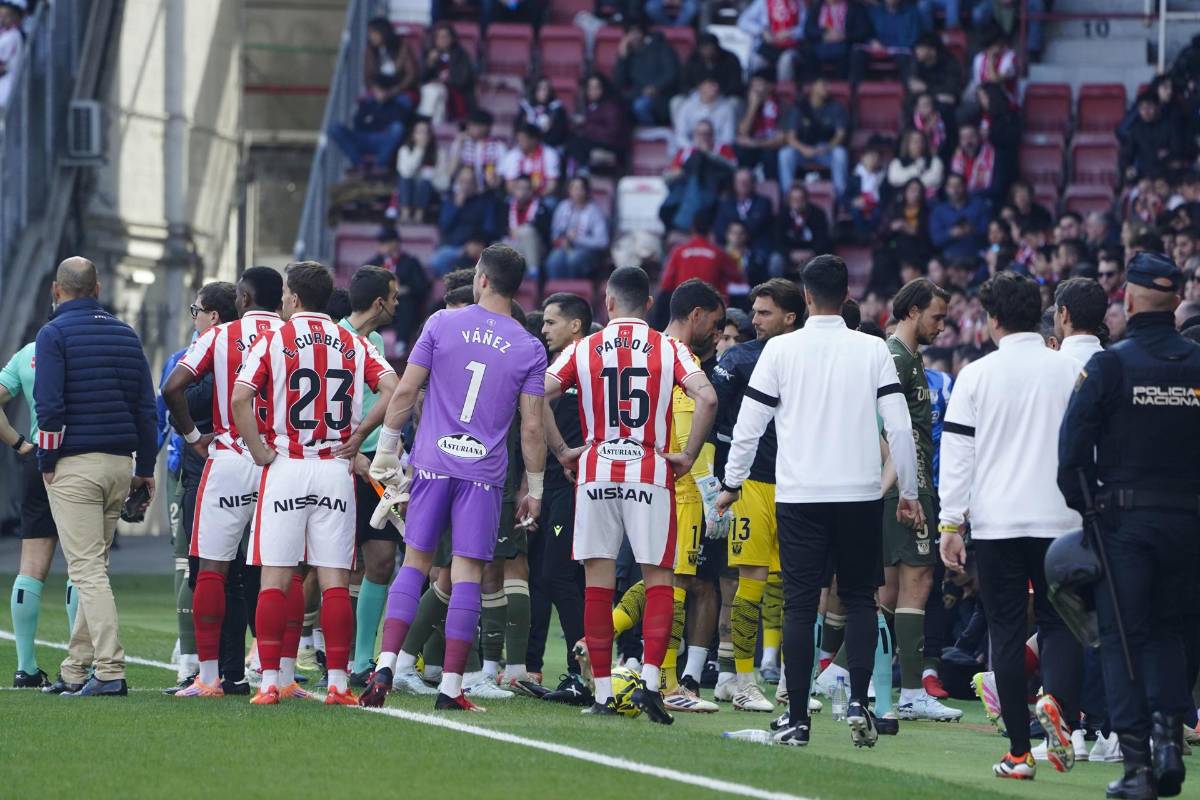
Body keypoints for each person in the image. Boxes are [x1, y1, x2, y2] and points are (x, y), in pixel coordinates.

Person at [716, 254, 923, 746]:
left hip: (800, 494)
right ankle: (857, 701)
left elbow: (749, 426)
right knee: (859, 599)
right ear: (846, 295)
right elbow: (900, 427)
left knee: (800, 603)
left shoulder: (782, 351)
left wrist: (731, 483)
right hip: (858, 494)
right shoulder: (873, 349)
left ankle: (798, 720)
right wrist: (908, 493)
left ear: (805, 297)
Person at [360, 244, 548, 712]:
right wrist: (536, 488)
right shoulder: (529, 346)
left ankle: (385, 664)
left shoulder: (441, 323)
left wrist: (386, 452)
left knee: (416, 564)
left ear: (481, 278)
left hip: (431, 464)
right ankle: (450, 688)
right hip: (483, 475)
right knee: (467, 573)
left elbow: (405, 390)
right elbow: (531, 426)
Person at [541, 265, 717, 723]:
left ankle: (602, 693)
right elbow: (709, 399)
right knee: (659, 581)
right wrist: (686, 453)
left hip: (596, 470)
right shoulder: (669, 347)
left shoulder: (584, 347)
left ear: (608, 301)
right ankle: (652, 686)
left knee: (598, 585)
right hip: (649, 470)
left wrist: (563, 450)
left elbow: (536, 393)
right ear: (651, 305)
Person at [1057, 251, 1200, 800]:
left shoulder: (1110, 366)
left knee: (1120, 640)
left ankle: (1138, 765)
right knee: (1168, 633)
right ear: (1176, 302)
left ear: (1130, 300)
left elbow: (1070, 455)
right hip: (1187, 524)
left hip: (1124, 523)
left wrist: (1092, 518)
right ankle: (1169, 745)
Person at [938, 271, 1084, 780]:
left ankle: (1020, 754)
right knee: (1059, 621)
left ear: (992, 318)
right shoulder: (1068, 371)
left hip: (998, 522)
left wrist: (950, 523)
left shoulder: (976, 375)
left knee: (1004, 629)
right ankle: (1060, 706)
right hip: (1061, 520)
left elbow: (957, 454)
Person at [231, 262, 398, 706]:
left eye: (287, 292)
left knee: (276, 577)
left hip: (287, 463)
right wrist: (359, 436)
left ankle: (269, 682)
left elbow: (240, 397)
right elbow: (393, 386)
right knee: (335, 581)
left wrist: (260, 450)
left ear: (294, 297)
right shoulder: (352, 341)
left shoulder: (274, 338)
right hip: (333, 467)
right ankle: (340, 684)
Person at [35, 257, 157, 697]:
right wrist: (145, 468)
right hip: (119, 464)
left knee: (85, 570)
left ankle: (109, 670)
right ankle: (74, 668)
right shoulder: (127, 335)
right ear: (98, 287)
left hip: (75, 465)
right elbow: (147, 409)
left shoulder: (53, 334)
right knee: (95, 567)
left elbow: (48, 409)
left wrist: (46, 463)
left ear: (56, 289)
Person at [605, 279, 725, 715]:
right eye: (714, 320)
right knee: (675, 583)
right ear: (696, 314)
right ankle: (669, 682)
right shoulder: (682, 357)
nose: (717, 330)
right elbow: (690, 422)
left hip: (646, 478)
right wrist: (700, 479)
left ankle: (599, 637)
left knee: (665, 579)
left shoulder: (649, 350)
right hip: (681, 483)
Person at [161, 274, 282, 699]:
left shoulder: (223, 335)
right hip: (283, 460)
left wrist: (194, 438)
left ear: (243, 298)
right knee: (279, 570)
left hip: (229, 457)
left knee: (211, 568)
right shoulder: (295, 335)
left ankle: (208, 675)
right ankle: (279, 678)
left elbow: (171, 386)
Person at [711, 279, 806, 712]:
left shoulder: (807, 357)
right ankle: (743, 680)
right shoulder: (738, 358)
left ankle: (789, 682)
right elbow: (710, 413)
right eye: (755, 310)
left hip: (798, 484)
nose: (754, 319)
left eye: (764, 312)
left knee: (792, 587)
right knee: (749, 582)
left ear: (790, 316)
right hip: (750, 484)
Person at [876, 279, 962, 721]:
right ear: (912, 312)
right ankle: (908, 691)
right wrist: (900, 487)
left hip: (912, 483)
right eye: (936, 317)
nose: (942, 326)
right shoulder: (895, 358)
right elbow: (879, 428)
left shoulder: (908, 358)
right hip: (910, 486)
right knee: (915, 581)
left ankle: (872, 681)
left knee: (896, 585)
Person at [333, 267, 405, 683]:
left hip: (376, 462)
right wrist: (352, 450)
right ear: (379, 302)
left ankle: (361, 663)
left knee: (379, 560)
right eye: (393, 297)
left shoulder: (374, 342)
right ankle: (295, 652)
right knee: (331, 565)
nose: (397, 304)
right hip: (340, 461)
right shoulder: (332, 341)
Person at [525, 293, 590, 697]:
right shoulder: (554, 368)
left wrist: (573, 454)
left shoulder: (588, 365)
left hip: (575, 485)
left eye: (551, 322)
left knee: (560, 575)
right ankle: (533, 668)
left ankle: (581, 671)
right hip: (547, 483)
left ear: (575, 326)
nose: (544, 329)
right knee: (540, 575)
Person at [2, 333, 75, 689]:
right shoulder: (89, 346)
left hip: (36, 461)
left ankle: (25, 668)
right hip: (80, 459)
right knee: (84, 565)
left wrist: (19, 444)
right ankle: (81, 665)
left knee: (31, 565)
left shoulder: (28, 353)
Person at [779, 78, 849, 199]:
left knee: (840, 153)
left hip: (824, 150)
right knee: (785, 154)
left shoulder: (835, 107)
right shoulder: (800, 107)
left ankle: (840, 196)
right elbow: (790, 137)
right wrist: (804, 149)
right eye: (823, 85)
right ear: (813, 87)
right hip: (802, 150)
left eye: (828, 86)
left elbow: (840, 134)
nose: (828, 89)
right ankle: (788, 195)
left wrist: (828, 147)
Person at [365, 228, 429, 356]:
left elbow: (422, 286)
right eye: (382, 243)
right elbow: (364, 285)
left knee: (405, 303)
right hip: (382, 305)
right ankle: (370, 344)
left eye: (386, 242)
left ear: (396, 243)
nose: (383, 246)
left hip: (403, 305)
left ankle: (402, 344)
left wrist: (406, 289)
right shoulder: (374, 263)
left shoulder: (410, 263)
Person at [328, 76, 409, 172]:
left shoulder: (397, 107)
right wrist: (380, 123)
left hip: (382, 140)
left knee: (398, 128)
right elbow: (358, 124)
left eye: (384, 90)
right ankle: (359, 164)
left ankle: (379, 165)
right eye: (378, 90)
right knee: (334, 128)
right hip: (363, 138)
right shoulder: (366, 105)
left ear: (389, 91)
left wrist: (373, 122)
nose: (381, 93)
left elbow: (397, 127)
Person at [432, 166, 502, 276]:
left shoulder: (484, 202)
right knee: (435, 262)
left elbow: (490, 228)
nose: (465, 186)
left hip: (475, 248)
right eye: (462, 181)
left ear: (475, 184)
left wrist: (478, 243)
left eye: (469, 182)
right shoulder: (450, 200)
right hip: (452, 248)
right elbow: (443, 227)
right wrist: (457, 207)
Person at [660, 208, 743, 299]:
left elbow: (666, 284)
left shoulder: (678, 252)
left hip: (683, 308)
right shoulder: (719, 254)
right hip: (711, 307)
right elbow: (738, 280)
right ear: (711, 229)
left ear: (692, 228)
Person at [613, 22, 680, 127]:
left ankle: (650, 132)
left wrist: (655, 87)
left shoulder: (661, 48)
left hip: (661, 95)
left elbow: (672, 74)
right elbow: (619, 82)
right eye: (630, 34)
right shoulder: (629, 55)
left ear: (644, 34)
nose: (634, 37)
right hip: (637, 94)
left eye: (636, 33)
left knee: (640, 106)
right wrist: (623, 58)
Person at [545, 176, 609, 279]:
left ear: (587, 191)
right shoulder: (563, 207)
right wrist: (561, 240)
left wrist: (578, 239)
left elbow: (602, 242)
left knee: (574, 259)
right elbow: (554, 233)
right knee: (554, 259)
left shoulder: (594, 211)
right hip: (564, 248)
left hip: (587, 252)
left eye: (580, 189)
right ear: (569, 191)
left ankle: (573, 293)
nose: (577, 192)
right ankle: (557, 293)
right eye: (574, 188)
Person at [565, 73, 629, 171]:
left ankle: (584, 172)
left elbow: (612, 134)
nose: (592, 91)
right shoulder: (591, 106)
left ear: (603, 88)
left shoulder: (611, 107)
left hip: (611, 145)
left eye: (596, 87)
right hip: (595, 141)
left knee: (575, 143)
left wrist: (585, 124)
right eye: (590, 88)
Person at [852, 0, 924, 84]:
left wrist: (899, 46)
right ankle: (854, 92)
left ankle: (908, 92)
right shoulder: (874, 10)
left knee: (905, 59)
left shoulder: (912, 12)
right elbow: (867, 31)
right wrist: (872, 41)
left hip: (901, 49)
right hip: (878, 47)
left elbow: (914, 36)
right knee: (857, 54)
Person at [798, 0, 872, 82]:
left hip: (846, 45)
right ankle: (814, 86)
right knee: (807, 52)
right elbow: (808, 29)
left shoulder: (855, 7)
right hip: (821, 44)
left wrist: (844, 36)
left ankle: (842, 87)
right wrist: (823, 35)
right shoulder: (817, 6)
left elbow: (863, 31)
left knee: (853, 54)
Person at [734, 68, 787, 181]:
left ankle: (773, 189)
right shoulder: (743, 104)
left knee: (770, 155)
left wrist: (754, 143)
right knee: (740, 151)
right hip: (751, 149)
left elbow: (781, 140)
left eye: (759, 84)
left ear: (770, 86)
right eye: (753, 85)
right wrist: (753, 107)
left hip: (770, 147)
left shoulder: (782, 105)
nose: (755, 89)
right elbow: (742, 133)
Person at [772, 183, 833, 279]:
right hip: (790, 253)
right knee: (775, 260)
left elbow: (824, 239)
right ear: (789, 201)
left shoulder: (818, 214)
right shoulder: (782, 215)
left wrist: (812, 252)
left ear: (807, 199)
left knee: (826, 261)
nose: (797, 202)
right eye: (794, 199)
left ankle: (818, 292)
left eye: (801, 199)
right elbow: (777, 240)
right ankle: (778, 290)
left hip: (812, 251)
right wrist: (790, 254)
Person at [419, 22, 475, 124]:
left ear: (453, 38)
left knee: (435, 91)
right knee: (433, 92)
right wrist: (430, 63)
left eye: (446, 36)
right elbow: (421, 78)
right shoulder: (428, 53)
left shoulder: (461, 55)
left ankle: (424, 122)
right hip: (432, 91)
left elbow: (463, 79)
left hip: (455, 92)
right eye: (439, 37)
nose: (442, 40)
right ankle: (434, 125)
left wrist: (443, 81)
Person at [714, 168, 774, 263]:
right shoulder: (725, 203)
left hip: (755, 249)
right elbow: (720, 228)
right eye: (739, 181)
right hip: (729, 248)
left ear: (753, 183)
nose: (743, 184)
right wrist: (734, 243)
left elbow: (758, 227)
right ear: (734, 183)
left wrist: (741, 242)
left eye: (746, 181)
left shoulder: (764, 203)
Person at [392, 118, 441, 224]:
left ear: (430, 135)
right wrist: (420, 149)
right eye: (419, 132)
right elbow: (406, 172)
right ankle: (406, 214)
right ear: (413, 134)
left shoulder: (438, 152)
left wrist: (430, 176)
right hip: (408, 188)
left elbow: (443, 180)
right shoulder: (404, 150)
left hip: (430, 190)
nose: (422, 136)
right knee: (405, 179)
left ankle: (419, 215)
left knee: (425, 182)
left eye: (425, 132)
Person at [930, 172, 988, 261]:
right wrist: (951, 234)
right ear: (946, 188)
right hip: (949, 259)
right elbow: (936, 240)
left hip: (975, 256)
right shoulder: (939, 211)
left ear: (965, 186)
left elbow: (987, 232)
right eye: (951, 186)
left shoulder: (979, 206)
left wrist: (972, 230)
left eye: (958, 185)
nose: (955, 189)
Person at [503, 173, 551, 279]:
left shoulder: (541, 208)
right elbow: (500, 229)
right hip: (514, 246)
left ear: (531, 191)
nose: (522, 192)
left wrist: (519, 231)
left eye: (526, 189)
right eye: (519, 188)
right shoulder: (505, 207)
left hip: (536, 247)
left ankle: (533, 271)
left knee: (527, 231)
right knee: (500, 246)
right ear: (514, 190)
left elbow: (543, 231)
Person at [447, 109, 505, 193]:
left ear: (487, 127)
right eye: (470, 125)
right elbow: (451, 172)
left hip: (488, 191)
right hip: (462, 191)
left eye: (476, 125)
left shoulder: (498, 146)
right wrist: (459, 145)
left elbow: (501, 175)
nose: (472, 128)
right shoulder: (460, 142)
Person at [673, 76, 738, 151]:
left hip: (717, 153)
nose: (714, 88)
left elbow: (728, 138)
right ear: (700, 87)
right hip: (691, 151)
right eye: (710, 85)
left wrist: (710, 148)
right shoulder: (687, 106)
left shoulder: (727, 108)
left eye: (716, 85)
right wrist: (694, 148)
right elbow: (680, 136)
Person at [364, 16, 419, 104]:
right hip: (379, 90)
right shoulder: (370, 50)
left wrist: (392, 92)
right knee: (367, 105)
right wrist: (377, 90)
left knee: (400, 105)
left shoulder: (401, 47)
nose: (371, 37)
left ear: (384, 32)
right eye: (370, 34)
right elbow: (368, 76)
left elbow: (411, 74)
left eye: (374, 33)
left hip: (400, 89)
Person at [1054, 277, 1107, 366]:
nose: (1054, 315)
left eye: (1055, 309)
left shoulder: (1053, 364)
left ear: (1064, 313)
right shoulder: (1114, 363)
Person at [499, 124, 562, 199]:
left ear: (534, 140)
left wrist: (535, 199)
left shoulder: (549, 154)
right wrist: (522, 197)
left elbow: (552, 185)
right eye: (518, 140)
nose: (520, 144)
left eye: (523, 140)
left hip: (542, 196)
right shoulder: (512, 155)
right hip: (518, 198)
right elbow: (510, 185)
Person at [681, 33, 744, 97]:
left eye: (710, 48)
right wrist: (700, 88)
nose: (707, 51)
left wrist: (716, 89)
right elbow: (684, 84)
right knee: (677, 101)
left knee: (734, 102)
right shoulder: (693, 60)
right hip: (698, 96)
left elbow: (736, 84)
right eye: (704, 48)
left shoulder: (730, 59)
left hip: (724, 96)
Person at [886, 129, 945, 198]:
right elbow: (894, 179)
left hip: (929, 201)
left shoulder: (935, 161)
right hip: (902, 201)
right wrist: (916, 170)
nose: (918, 144)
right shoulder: (897, 162)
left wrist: (908, 177)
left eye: (921, 141)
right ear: (908, 143)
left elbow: (935, 180)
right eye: (915, 141)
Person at [515, 77, 569, 150]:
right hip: (528, 147)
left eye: (546, 89)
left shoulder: (557, 108)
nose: (544, 92)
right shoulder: (526, 107)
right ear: (534, 90)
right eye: (540, 89)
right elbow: (518, 130)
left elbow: (560, 133)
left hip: (550, 147)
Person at [0, 0, 25, 109]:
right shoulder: (7, 35)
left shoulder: (11, 36)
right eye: (0, 15)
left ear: (15, 18)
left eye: (6, 16)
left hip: (5, 91)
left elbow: (2, 67)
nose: (2, 19)